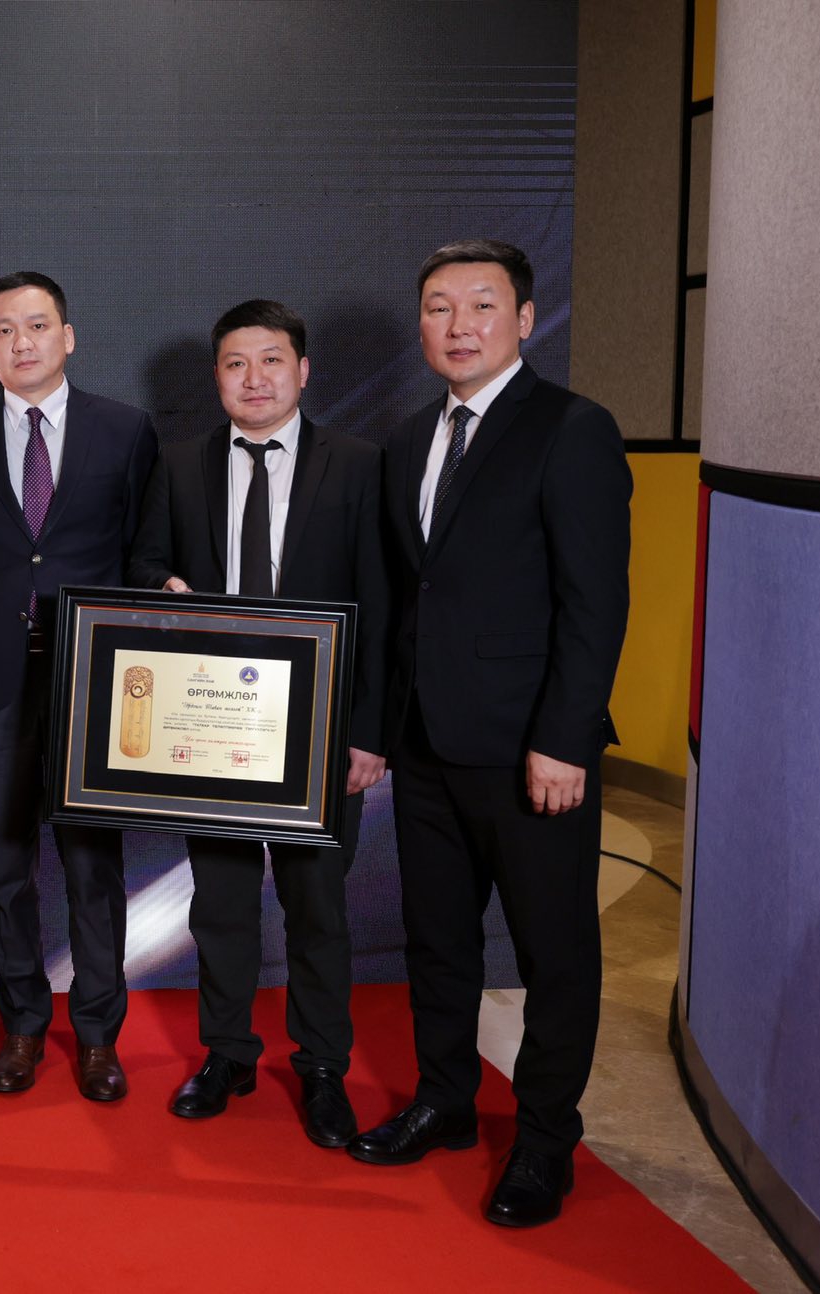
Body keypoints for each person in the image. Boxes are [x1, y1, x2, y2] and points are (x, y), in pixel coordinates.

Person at [349, 240, 631, 1228]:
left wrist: (564, 738)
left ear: (523, 319)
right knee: (436, 943)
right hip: (424, 746)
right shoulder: (405, 442)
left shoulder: (572, 429)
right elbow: (398, 600)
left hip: (529, 754)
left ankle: (545, 1141)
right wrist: (374, 730)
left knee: (554, 954)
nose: (458, 324)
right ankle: (445, 1101)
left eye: (480, 304)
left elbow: (594, 603)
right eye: (438, 307)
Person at [124, 300, 390, 1148]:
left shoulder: (358, 464)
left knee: (318, 906)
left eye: (271, 360)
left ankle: (322, 1066)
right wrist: (161, 589)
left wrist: (370, 730)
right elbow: (143, 565)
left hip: (320, 726)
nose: (255, 378)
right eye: (236, 363)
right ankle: (228, 1053)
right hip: (214, 722)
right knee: (222, 902)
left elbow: (384, 602)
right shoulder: (180, 463)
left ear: (302, 371)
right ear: (217, 378)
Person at [0, 271, 158, 1101]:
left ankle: (98, 1035)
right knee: (5, 869)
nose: (21, 342)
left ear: (68, 336)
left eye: (36, 325)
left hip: (93, 678)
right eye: (4, 330)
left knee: (94, 868)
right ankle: (23, 1024)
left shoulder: (124, 429)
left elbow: (145, 548)